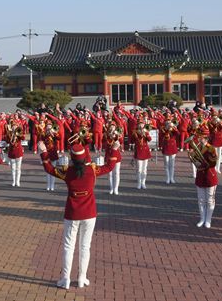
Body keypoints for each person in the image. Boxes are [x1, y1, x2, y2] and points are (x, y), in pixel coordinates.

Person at [37, 139, 119, 290]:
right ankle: (82, 277)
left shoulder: (68, 172)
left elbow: (49, 169)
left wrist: (43, 152)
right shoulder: (92, 170)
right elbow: (109, 166)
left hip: (72, 213)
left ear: (72, 158)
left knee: (69, 246)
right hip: (89, 212)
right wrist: (114, 149)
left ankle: (66, 278)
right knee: (85, 246)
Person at [192, 127, 219, 228]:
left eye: (201, 137)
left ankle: (208, 220)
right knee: (201, 200)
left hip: (209, 175)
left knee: (210, 199)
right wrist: (193, 158)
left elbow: (213, 163)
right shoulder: (197, 147)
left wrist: (202, 162)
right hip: (200, 175)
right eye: (199, 137)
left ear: (206, 138)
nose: (199, 139)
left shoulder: (211, 148)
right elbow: (194, 160)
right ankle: (202, 218)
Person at [133, 120, 151, 189]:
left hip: (145, 151)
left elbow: (149, 139)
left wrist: (146, 134)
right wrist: (136, 134)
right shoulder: (135, 132)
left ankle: (143, 183)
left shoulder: (146, 131)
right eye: (139, 124)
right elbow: (132, 140)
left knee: (144, 169)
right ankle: (139, 183)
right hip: (138, 151)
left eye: (142, 124)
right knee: (139, 169)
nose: (141, 125)